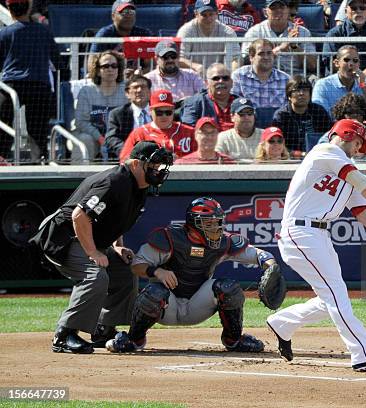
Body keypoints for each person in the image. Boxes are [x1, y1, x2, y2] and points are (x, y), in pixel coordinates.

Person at [266, 118, 366, 372]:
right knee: (337, 295)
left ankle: (283, 323)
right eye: (358, 142)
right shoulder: (326, 152)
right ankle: (364, 355)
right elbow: (365, 184)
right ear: (346, 135)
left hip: (318, 235)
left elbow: (363, 214)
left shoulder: (346, 167)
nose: (359, 149)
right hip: (301, 231)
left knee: (332, 297)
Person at [30, 141, 173, 353]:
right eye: (153, 166)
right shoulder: (113, 182)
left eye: (160, 166)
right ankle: (64, 334)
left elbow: (116, 219)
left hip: (88, 237)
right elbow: (80, 216)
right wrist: (93, 252)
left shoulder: (138, 187)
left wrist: (117, 246)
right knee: (95, 276)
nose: (157, 171)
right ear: (135, 164)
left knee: (125, 268)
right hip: (62, 237)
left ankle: (103, 329)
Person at [105, 197, 274, 353]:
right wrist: (157, 271)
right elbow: (137, 265)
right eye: (208, 223)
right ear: (194, 223)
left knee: (228, 288)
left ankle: (234, 340)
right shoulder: (170, 238)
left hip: (197, 305)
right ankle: (134, 339)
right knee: (154, 292)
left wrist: (271, 267)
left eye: (217, 223)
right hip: (166, 305)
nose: (215, 228)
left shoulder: (224, 242)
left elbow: (258, 254)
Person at [0, 0, 62, 162]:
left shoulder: (4, 33)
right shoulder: (44, 32)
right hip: (39, 86)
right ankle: (39, 161)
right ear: (29, 7)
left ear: (9, 8)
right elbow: (58, 61)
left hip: (11, 86)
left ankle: (1, 159)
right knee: (38, 131)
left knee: (3, 127)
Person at [73, 50, 128, 163]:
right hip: (93, 136)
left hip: (119, 137)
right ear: (97, 70)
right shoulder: (87, 91)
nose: (110, 69)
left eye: (114, 66)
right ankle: (79, 176)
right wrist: (100, 138)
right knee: (84, 139)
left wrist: (113, 140)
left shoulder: (127, 91)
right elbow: (81, 122)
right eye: (105, 66)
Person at [120, 90, 197, 161]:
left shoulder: (189, 132)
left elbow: (202, 156)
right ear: (150, 111)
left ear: (173, 110)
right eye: (159, 112)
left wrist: (181, 160)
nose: (164, 116)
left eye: (168, 112)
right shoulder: (139, 134)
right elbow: (125, 159)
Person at [242, 0, 317, 74]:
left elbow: (313, 66)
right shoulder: (255, 31)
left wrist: (295, 47)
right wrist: (280, 48)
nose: (278, 10)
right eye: (273, 8)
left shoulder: (302, 32)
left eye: (282, 7)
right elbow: (246, 61)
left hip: (295, 76)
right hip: (264, 75)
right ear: (265, 12)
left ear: (288, 11)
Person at [312, 45, 366, 116]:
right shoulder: (323, 85)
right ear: (337, 63)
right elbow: (320, 115)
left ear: (359, 64)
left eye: (355, 60)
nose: (351, 64)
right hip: (333, 126)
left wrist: (363, 87)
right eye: (346, 60)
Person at [323, 0, 366, 76]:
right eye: (354, 8)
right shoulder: (334, 34)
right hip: (340, 77)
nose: (358, 11)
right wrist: (352, 73)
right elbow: (329, 61)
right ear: (346, 11)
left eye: (362, 8)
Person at [271, 75, 332, 153]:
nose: (301, 93)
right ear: (289, 95)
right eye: (297, 90)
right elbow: (276, 143)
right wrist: (297, 154)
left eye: (305, 90)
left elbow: (329, 136)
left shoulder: (319, 112)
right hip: (290, 158)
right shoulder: (281, 116)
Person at [177, 0, 241, 75]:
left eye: (211, 14)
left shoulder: (228, 32)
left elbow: (235, 59)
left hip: (219, 77)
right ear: (196, 14)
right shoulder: (186, 30)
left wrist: (230, 76)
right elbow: (179, 59)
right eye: (204, 15)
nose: (208, 18)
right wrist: (196, 67)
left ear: (217, 13)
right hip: (193, 77)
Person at [231, 39, 291, 108]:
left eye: (269, 53)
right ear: (251, 57)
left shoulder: (285, 79)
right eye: (261, 54)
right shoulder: (239, 76)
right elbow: (233, 105)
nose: (266, 57)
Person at [105, 75, 152, 160]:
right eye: (135, 87)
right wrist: (130, 152)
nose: (139, 90)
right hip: (128, 159)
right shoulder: (117, 114)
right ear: (127, 93)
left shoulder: (161, 112)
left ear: (149, 92)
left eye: (143, 87)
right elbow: (111, 138)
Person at [145, 40, 204, 104]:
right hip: (160, 113)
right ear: (156, 59)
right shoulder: (147, 79)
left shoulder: (192, 76)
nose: (170, 60)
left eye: (173, 56)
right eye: (165, 57)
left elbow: (204, 96)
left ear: (178, 57)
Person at [181, 63, 237, 130]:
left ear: (231, 82)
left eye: (225, 78)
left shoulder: (240, 103)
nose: (221, 81)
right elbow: (188, 130)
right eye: (216, 78)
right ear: (207, 82)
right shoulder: (194, 103)